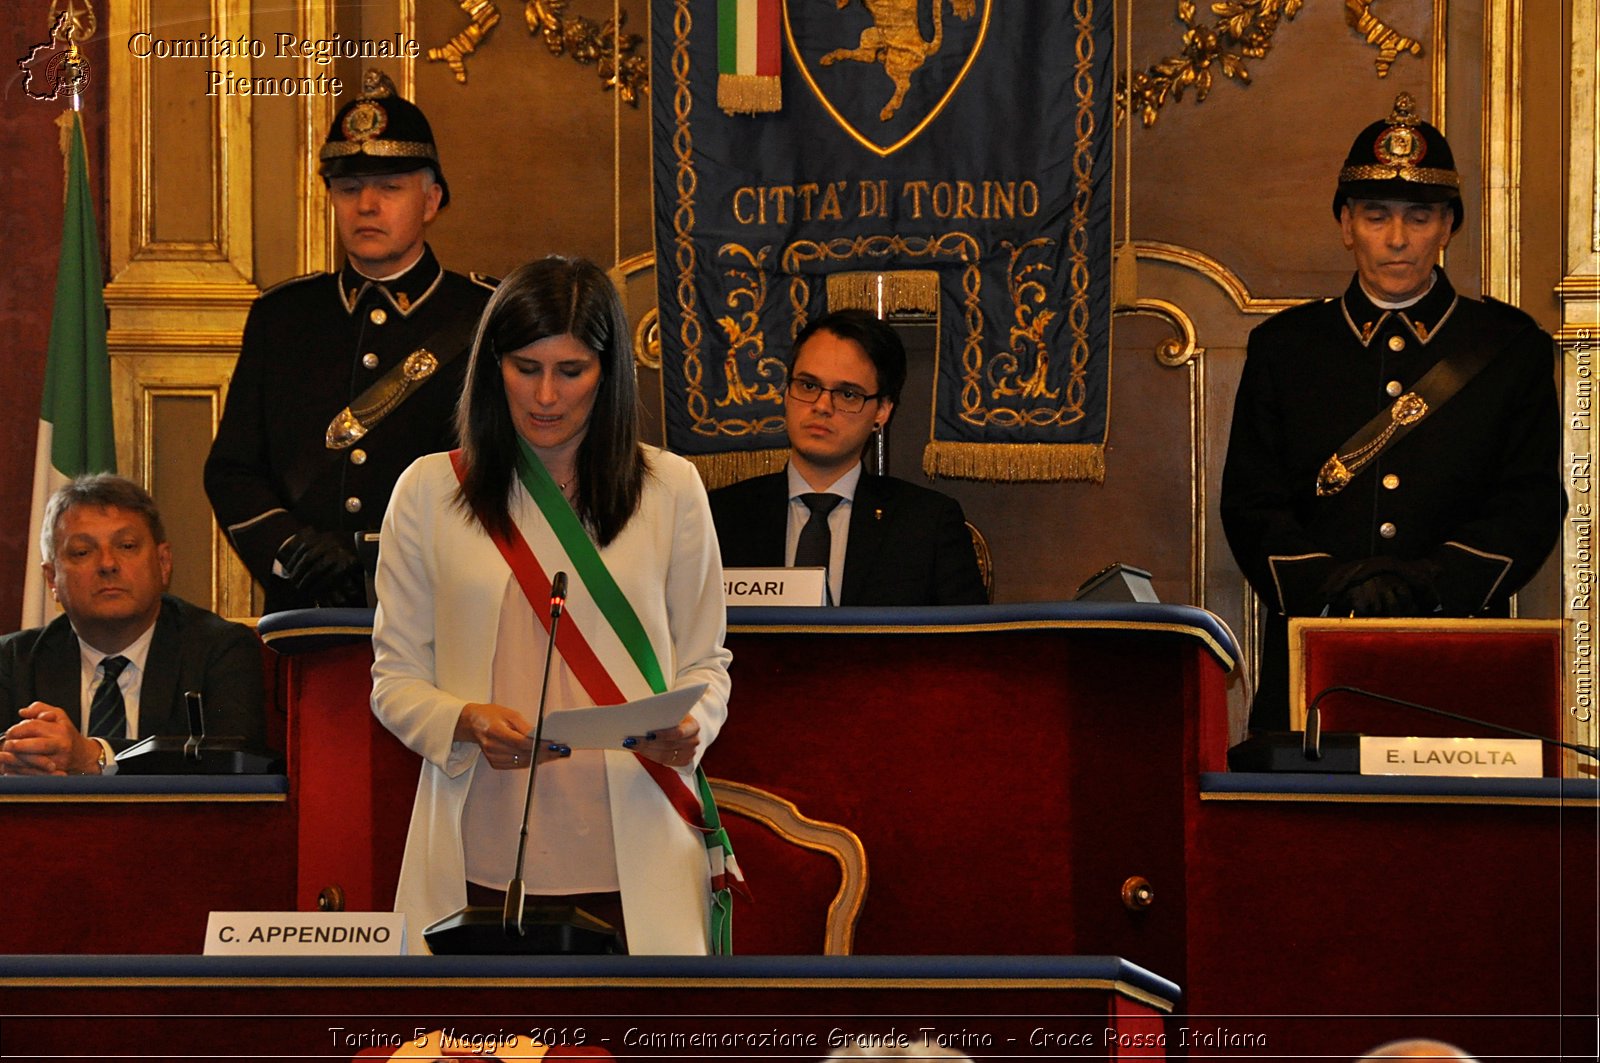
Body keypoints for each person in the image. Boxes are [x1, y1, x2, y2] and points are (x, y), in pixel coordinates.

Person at [370, 256, 731, 954]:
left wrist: (694, 725)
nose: (544, 395)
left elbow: (707, 660)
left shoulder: (672, 489)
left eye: (571, 371)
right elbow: (393, 679)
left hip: (635, 837)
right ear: (490, 365)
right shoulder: (427, 491)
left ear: (609, 372)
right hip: (480, 839)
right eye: (524, 367)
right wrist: (464, 719)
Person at [1221, 92, 1565, 731]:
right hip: (1314, 665)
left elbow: (1530, 503)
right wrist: (1330, 588)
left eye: (1420, 216)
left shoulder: (1508, 347)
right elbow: (1251, 503)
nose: (1398, 239)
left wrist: (1434, 584)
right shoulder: (1286, 348)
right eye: (1376, 216)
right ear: (1346, 224)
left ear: (1449, 226)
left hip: (1459, 662)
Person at [205, 68, 495, 614]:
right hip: (308, 613)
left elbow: (508, 474)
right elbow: (233, 469)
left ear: (431, 201)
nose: (366, 205)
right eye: (348, 188)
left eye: (389, 188)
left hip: (442, 611)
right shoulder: (283, 317)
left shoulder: (483, 316)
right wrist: (288, 548)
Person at [708, 308, 988, 606]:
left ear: (882, 411)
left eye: (848, 394)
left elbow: (968, 649)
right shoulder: (720, 516)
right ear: (786, 393)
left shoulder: (927, 524)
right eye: (808, 386)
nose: (822, 405)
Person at [0, 475, 266, 775]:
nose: (107, 564)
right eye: (82, 552)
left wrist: (95, 756)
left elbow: (237, 758)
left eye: (126, 546)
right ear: (52, 579)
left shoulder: (220, 649)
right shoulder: (11, 661)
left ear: (163, 562)